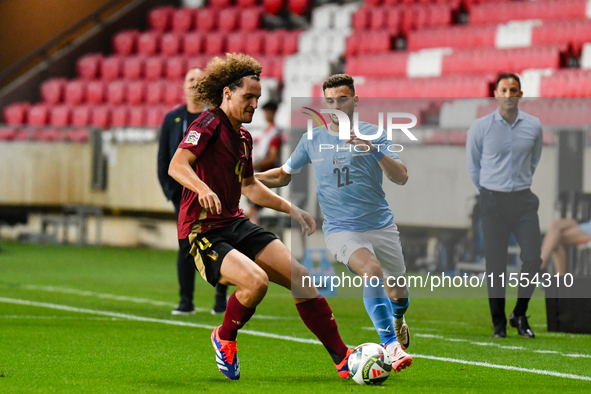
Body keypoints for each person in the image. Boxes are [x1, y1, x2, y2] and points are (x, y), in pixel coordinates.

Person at [168, 54, 352, 381]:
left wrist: (291, 209)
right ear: (227, 93)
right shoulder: (207, 124)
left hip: (234, 222)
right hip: (202, 230)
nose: (254, 104)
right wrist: (201, 188)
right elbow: (177, 164)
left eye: (258, 98)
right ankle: (224, 336)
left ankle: (343, 358)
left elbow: (249, 185)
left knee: (302, 279)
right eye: (247, 97)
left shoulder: (243, 138)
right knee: (256, 283)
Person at [256, 74, 413, 373]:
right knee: (372, 270)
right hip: (341, 229)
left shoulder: (374, 134)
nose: (336, 105)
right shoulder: (312, 139)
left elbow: (401, 177)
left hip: (381, 225)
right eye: (330, 101)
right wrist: (248, 178)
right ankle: (391, 346)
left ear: (355, 100)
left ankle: (398, 318)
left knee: (399, 294)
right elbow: (283, 174)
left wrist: (373, 149)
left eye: (342, 99)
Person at [466, 73, 543, 339]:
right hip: (492, 200)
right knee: (495, 264)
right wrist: (487, 193)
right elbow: (473, 166)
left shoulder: (534, 126)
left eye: (514, 90)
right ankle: (499, 324)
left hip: (523, 199)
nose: (509, 95)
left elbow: (534, 161)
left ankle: (519, 313)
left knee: (533, 256)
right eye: (504, 90)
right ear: (496, 94)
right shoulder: (481, 127)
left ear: (520, 94)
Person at [157, 67, 228, 316]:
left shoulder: (216, 118)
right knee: (186, 247)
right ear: (183, 86)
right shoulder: (172, 118)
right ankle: (186, 300)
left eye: (200, 80)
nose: (194, 84)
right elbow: (164, 158)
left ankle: (221, 299)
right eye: (190, 79)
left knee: (220, 242)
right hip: (183, 197)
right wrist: (172, 193)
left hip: (213, 193)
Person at [248, 101, 283, 225]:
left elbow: (272, 158)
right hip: (258, 173)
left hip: (264, 174)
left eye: (269, 111)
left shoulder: (274, 134)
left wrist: (255, 165)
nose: (267, 114)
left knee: (253, 210)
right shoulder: (267, 132)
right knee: (252, 210)